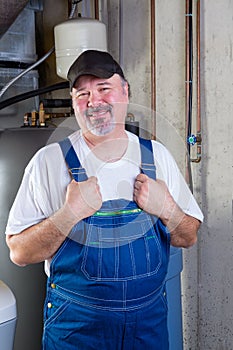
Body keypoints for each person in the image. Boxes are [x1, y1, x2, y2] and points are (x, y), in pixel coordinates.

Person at [5, 50, 203, 349]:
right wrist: (69, 214)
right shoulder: (49, 161)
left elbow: (188, 236)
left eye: (104, 88)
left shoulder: (156, 156)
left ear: (125, 92)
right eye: (82, 93)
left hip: (147, 328)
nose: (94, 102)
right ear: (73, 103)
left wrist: (166, 209)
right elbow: (19, 252)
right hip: (76, 328)